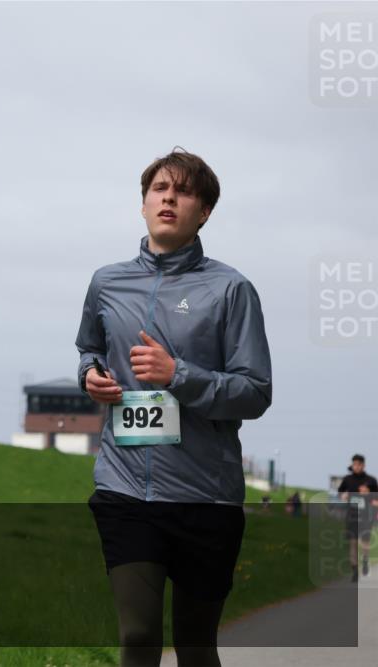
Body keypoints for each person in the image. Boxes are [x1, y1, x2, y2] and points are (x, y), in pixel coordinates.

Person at [76, 148, 272, 667]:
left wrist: (177, 375)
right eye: (160, 188)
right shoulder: (106, 282)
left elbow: (255, 391)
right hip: (124, 488)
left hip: (206, 497)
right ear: (143, 203)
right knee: (138, 633)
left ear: (203, 212)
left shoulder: (231, 289)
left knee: (195, 645)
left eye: (184, 192)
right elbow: (88, 348)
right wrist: (90, 376)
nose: (169, 197)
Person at [338, 454, 378, 582]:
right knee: (353, 543)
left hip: (366, 516)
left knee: (364, 543)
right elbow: (340, 492)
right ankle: (355, 570)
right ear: (352, 465)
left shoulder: (371, 481)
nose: (357, 467)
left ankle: (365, 560)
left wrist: (369, 495)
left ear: (363, 465)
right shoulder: (347, 480)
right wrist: (342, 496)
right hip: (352, 516)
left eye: (359, 464)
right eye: (355, 464)